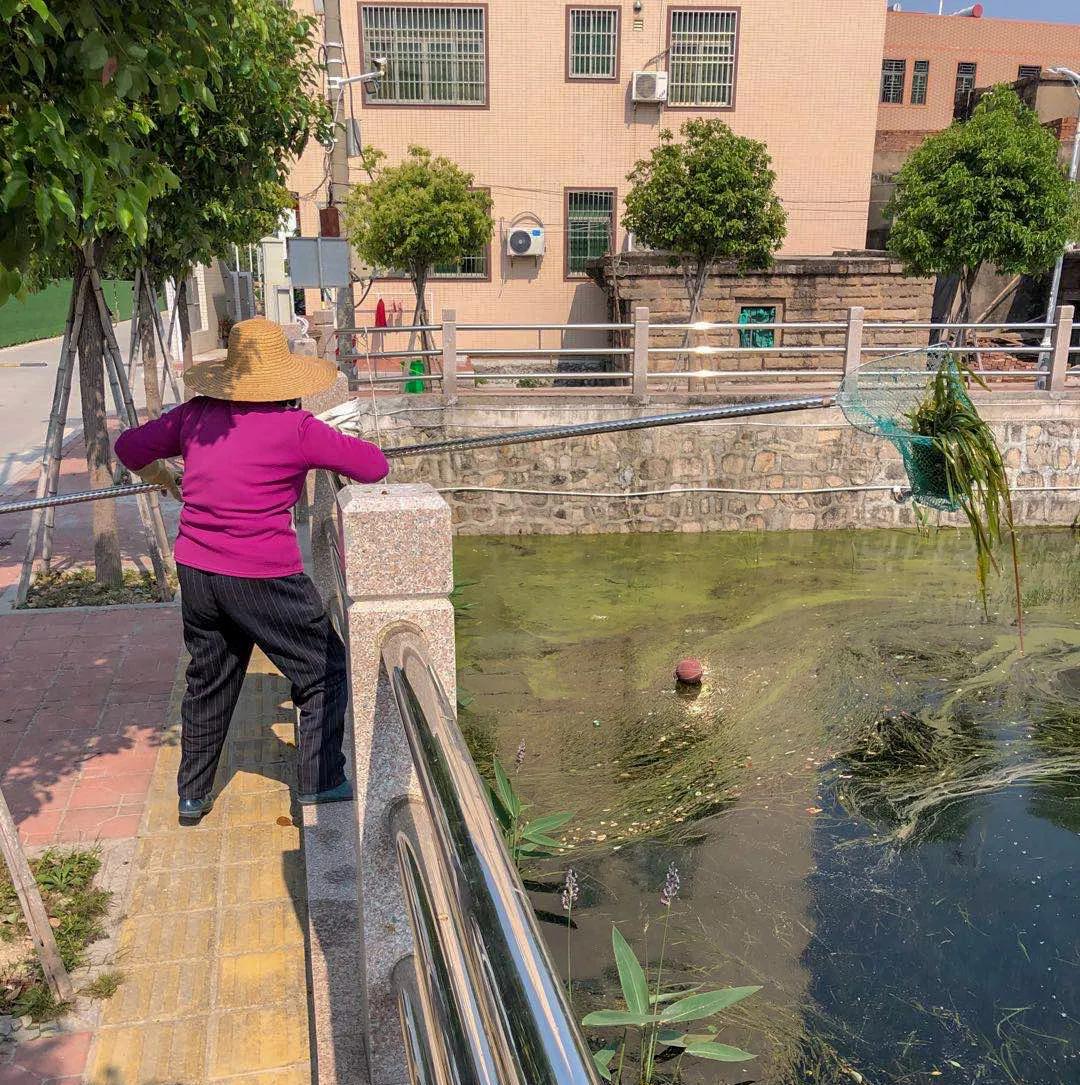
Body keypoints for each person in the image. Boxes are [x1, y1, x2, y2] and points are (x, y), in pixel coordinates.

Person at [114, 317, 389, 825]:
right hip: (264, 575)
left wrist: (165, 477)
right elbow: (374, 467)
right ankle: (321, 780)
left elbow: (129, 448)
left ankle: (192, 796)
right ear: (286, 382)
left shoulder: (196, 416)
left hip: (197, 569)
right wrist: (318, 454)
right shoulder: (297, 428)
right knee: (324, 669)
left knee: (210, 677)